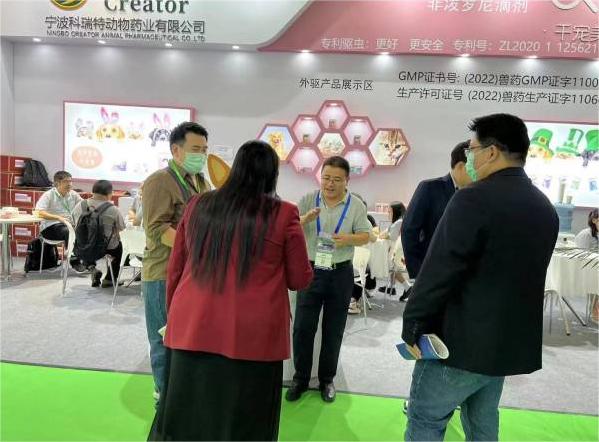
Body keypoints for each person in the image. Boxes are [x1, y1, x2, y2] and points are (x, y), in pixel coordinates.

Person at [402, 114, 558, 441]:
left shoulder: (471, 198)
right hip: (503, 346)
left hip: (457, 342)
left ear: (491, 152)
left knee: (426, 419)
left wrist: (413, 324)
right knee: (482, 422)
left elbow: (440, 270)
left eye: (471, 150)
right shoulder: (543, 206)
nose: (468, 158)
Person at [148, 141, 313, 441]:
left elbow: (176, 269)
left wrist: (175, 316)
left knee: (186, 415)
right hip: (253, 336)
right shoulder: (284, 213)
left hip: (192, 325)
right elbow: (299, 279)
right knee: (245, 421)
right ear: (272, 175)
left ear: (235, 168)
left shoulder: (198, 205)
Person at [286, 156, 372, 403]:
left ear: (347, 181)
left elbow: (366, 235)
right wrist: (304, 220)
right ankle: (300, 379)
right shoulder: (308, 199)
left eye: (336, 179)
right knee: (303, 328)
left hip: (340, 273)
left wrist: (347, 239)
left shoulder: (355, 205)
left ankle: (327, 380)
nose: (330, 184)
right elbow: (289, 228)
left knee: (333, 329)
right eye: (326, 178)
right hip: (310, 270)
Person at [142, 122, 211, 404]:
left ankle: (183, 395)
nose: (201, 155)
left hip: (193, 273)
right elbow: (156, 229)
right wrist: (196, 248)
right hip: (163, 272)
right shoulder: (160, 181)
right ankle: (165, 397)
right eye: (196, 149)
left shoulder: (202, 182)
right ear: (176, 150)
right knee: (163, 337)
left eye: (204, 149)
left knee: (188, 336)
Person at [401, 141, 472, 290]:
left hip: (464, 275)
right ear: (461, 166)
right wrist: (417, 273)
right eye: (474, 168)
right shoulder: (430, 188)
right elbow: (409, 230)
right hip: (431, 272)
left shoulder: (475, 194)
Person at [72, 180, 126, 287]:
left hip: (82, 247)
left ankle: (92, 267)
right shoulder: (113, 209)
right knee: (120, 248)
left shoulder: (80, 205)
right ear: (110, 194)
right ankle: (109, 279)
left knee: (87, 243)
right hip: (104, 248)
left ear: (93, 191)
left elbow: (74, 223)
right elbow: (121, 228)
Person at [35, 170, 85, 272]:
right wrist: (58, 218)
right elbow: (39, 212)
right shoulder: (48, 195)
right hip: (51, 227)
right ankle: (75, 261)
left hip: (69, 225)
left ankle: (88, 261)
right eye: (66, 181)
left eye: (70, 181)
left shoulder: (73, 194)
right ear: (57, 183)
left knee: (85, 229)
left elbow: (84, 206)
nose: (70, 184)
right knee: (68, 230)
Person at [348, 195, 377, 315]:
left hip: (339, 263)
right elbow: (374, 239)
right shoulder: (365, 222)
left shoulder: (343, 219)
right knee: (363, 269)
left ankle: (351, 300)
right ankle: (353, 301)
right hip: (355, 263)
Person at [377, 201, 412, 299]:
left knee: (391, 265)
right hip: (398, 251)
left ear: (396, 212)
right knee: (391, 265)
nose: (388, 214)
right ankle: (391, 287)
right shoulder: (400, 221)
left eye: (390, 212)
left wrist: (383, 235)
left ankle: (407, 287)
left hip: (397, 252)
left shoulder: (399, 222)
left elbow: (391, 236)